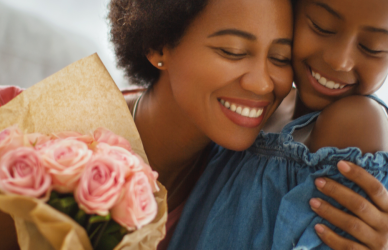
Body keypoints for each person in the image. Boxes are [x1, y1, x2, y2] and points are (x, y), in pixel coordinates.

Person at [167, 0, 388, 249]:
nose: (339, 60)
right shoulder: (260, 108)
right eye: (321, 27)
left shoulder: (356, 122)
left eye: (373, 48)